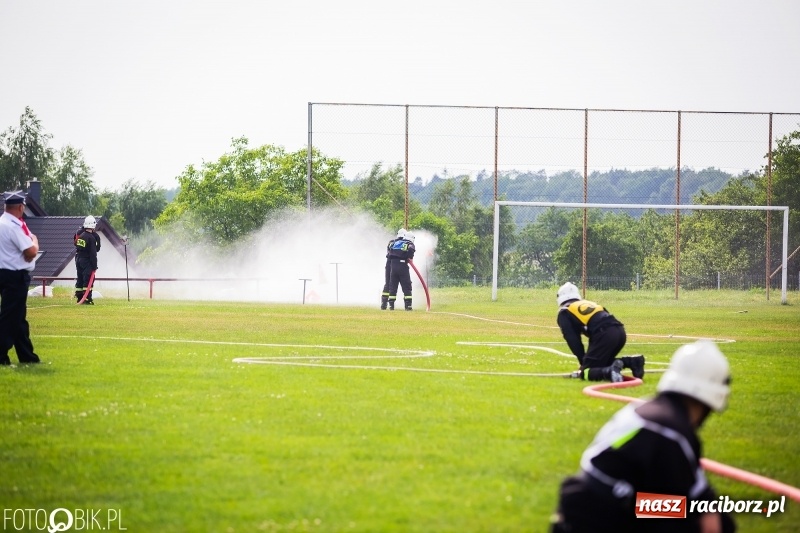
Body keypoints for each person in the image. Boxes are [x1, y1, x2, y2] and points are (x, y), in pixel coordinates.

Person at [550, 340, 736, 533]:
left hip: (592, 505)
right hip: (605, 515)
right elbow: (701, 510)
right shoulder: (671, 432)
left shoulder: (647, 410)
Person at [556, 281, 644, 382]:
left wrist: (583, 362)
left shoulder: (565, 312)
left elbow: (573, 339)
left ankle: (609, 372)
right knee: (600, 362)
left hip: (604, 333)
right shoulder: (588, 303)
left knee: (586, 372)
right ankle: (631, 362)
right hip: (619, 331)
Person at [0, 191, 41, 365]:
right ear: (20, 207)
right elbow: (31, 251)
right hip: (14, 276)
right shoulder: (13, 226)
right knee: (10, 319)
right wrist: (34, 239)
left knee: (18, 320)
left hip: (5, 273)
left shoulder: (2, 223)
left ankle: (27, 357)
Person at [386, 231, 416, 311]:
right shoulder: (409, 243)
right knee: (406, 286)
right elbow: (411, 249)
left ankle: (391, 305)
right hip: (403, 266)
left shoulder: (395, 242)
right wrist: (409, 257)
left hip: (393, 266)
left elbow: (389, 252)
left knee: (393, 286)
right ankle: (408, 306)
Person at [74, 215, 99, 304]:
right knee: (87, 279)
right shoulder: (91, 238)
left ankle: (79, 297)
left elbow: (76, 245)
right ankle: (87, 299)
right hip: (87, 260)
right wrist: (94, 265)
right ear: (93, 226)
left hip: (78, 259)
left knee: (80, 278)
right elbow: (93, 253)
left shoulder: (81, 235)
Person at [381, 228, 406, 310]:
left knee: (387, 284)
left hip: (388, 264)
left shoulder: (392, 242)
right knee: (396, 284)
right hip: (396, 264)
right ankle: (390, 305)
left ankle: (384, 304)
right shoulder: (404, 243)